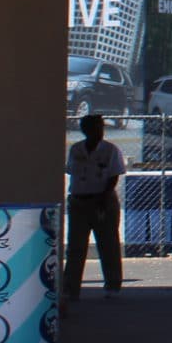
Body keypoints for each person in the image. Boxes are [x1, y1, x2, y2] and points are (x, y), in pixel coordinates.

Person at [63, 113, 126, 298]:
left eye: (101, 128)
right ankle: (71, 287)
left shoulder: (110, 150)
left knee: (108, 244)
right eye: (94, 128)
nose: (99, 131)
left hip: (103, 200)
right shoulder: (76, 150)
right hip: (79, 200)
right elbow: (71, 171)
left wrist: (103, 199)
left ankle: (113, 285)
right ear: (85, 130)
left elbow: (113, 176)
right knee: (75, 246)